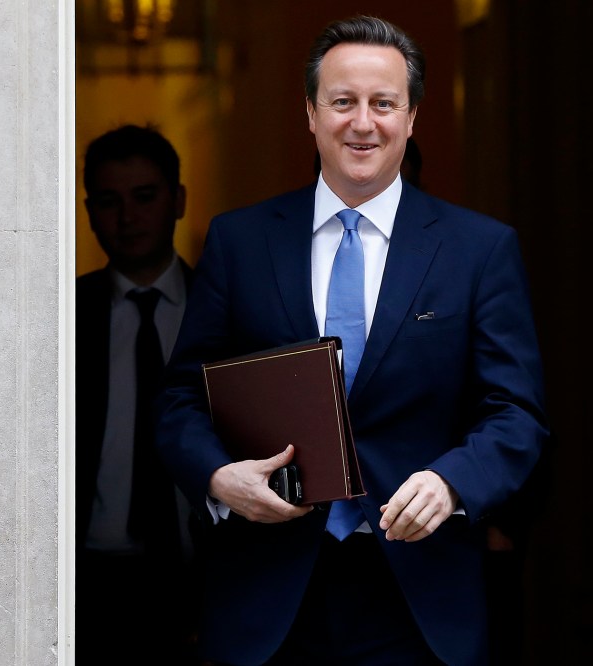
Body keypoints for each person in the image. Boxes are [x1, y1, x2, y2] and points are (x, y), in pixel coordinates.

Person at [157, 16, 549, 666]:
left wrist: (454, 483)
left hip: (420, 596)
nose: (362, 123)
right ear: (311, 113)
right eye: (342, 102)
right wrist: (219, 477)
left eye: (383, 103)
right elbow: (180, 401)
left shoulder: (479, 250)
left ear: (412, 116)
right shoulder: (240, 242)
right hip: (267, 596)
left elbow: (517, 413)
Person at [76, 124, 201, 663]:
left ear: (177, 200)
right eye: (109, 202)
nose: (126, 218)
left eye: (144, 197)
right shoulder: (63, 315)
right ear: (89, 211)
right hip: (87, 576)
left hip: (201, 573)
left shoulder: (223, 310)